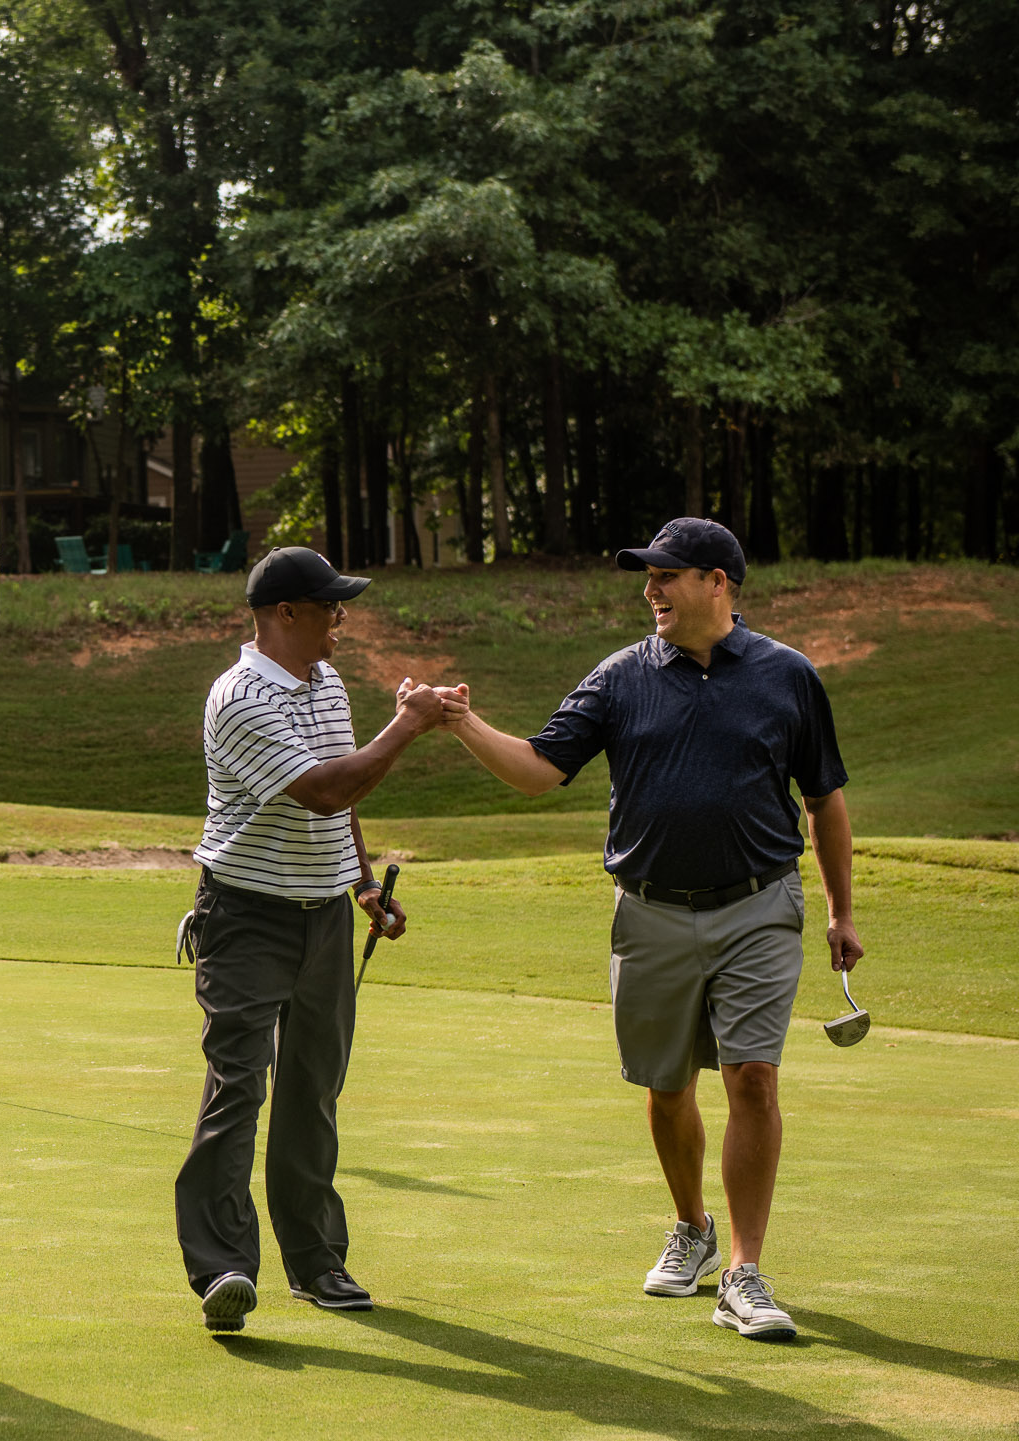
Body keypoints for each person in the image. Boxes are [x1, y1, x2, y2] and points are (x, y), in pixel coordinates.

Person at [435, 517, 861, 1341]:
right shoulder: (619, 677)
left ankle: (744, 1271)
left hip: (760, 904)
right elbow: (540, 769)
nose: (651, 589)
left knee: (752, 1078)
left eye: (667, 574)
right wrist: (460, 722)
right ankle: (692, 1226)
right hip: (650, 909)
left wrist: (843, 911)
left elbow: (825, 798)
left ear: (717, 582)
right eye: (648, 576)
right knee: (668, 1088)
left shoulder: (788, 675)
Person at [176, 546, 459, 1334]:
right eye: (330, 604)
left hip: (325, 913)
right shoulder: (238, 698)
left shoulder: (325, 681)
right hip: (245, 914)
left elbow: (347, 788)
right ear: (284, 613)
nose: (342, 616)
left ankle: (316, 1261)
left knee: (312, 1089)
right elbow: (324, 789)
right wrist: (408, 723)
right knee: (239, 1084)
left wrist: (362, 882)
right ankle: (223, 1266)